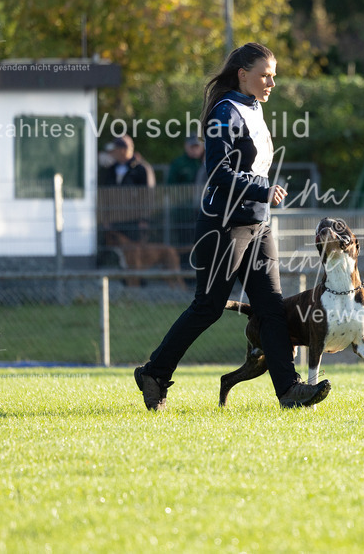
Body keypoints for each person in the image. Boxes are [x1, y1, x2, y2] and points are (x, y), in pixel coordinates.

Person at [134, 42, 330, 410]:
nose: (271, 82)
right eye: (264, 75)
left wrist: (261, 197)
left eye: (273, 75)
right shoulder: (225, 112)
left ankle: (288, 390)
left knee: (271, 308)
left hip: (258, 224)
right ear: (243, 75)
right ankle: (155, 372)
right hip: (223, 226)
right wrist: (262, 188)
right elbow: (219, 172)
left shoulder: (254, 108)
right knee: (207, 307)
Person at [97, 135, 156, 243]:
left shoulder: (141, 169)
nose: (112, 152)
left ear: (123, 150)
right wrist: (105, 218)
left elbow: (148, 195)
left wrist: (144, 219)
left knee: (134, 254)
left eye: (114, 149)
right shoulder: (110, 169)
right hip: (115, 221)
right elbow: (105, 194)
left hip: (134, 221)